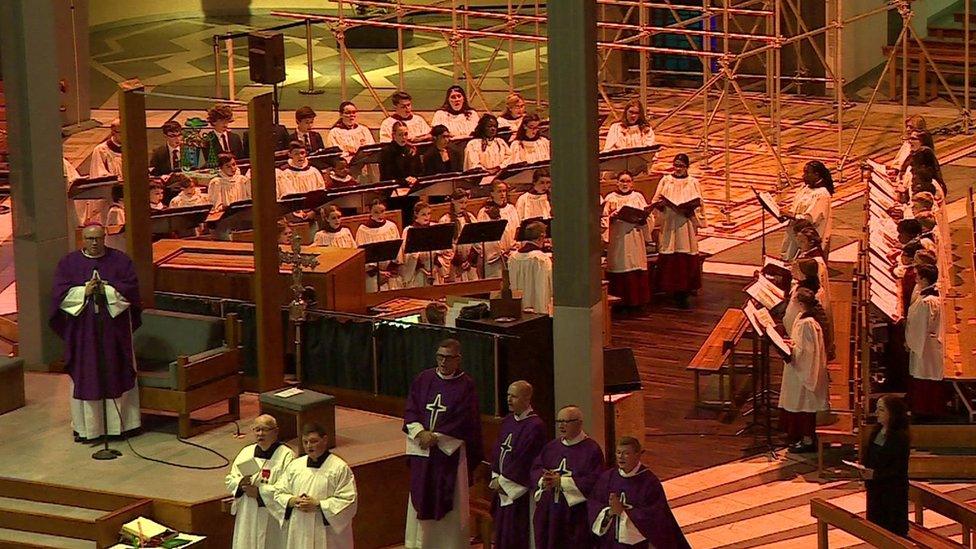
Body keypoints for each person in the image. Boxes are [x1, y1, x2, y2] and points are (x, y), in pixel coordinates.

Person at [49, 223, 142, 442]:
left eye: (98, 238)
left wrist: (106, 290)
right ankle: (89, 428)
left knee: (115, 371)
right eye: (90, 239)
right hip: (83, 333)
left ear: (104, 238)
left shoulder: (120, 260)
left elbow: (131, 290)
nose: (94, 243)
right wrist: (84, 291)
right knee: (87, 374)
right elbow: (58, 295)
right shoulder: (69, 263)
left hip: (114, 332)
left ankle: (120, 426)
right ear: (83, 239)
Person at [403, 338, 483, 549]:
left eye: (448, 358)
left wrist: (436, 437)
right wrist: (420, 432)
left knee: (452, 503)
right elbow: (411, 408)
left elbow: (466, 419)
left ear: (458, 359)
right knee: (420, 495)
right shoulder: (423, 379)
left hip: (450, 454)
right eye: (440, 356)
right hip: (422, 451)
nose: (443, 362)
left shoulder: (466, 385)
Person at [588, 437, 690, 548]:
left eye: (626, 453)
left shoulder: (649, 482)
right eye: (618, 452)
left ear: (637, 455)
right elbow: (594, 504)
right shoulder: (608, 477)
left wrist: (623, 513)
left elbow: (655, 518)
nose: (621, 457)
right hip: (610, 543)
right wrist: (609, 512)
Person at [272, 422, 358, 548]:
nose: (308, 446)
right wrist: (292, 500)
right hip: (300, 528)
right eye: (305, 442)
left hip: (327, 533)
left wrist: (318, 505)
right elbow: (278, 492)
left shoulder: (339, 468)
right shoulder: (295, 466)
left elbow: (349, 501)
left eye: (313, 441)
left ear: (325, 440)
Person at [531, 405, 605, 549]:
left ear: (579, 423)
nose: (562, 425)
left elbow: (595, 481)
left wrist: (562, 482)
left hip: (574, 514)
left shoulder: (591, 449)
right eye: (559, 421)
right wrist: (544, 479)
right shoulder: (552, 447)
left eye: (566, 421)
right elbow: (536, 468)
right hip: (550, 510)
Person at [490, 381, 547, 549]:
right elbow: (498, 450)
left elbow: (527, 459)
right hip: (502, 487)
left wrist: (504, 482)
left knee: (517, 534)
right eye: (508, 395)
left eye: (513, 396)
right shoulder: (508, 421)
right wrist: (495, 477)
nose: (509, 399)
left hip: (518, 491)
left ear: (527, 398)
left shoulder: (535, 426)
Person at [226, 415, 296, 549]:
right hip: (248, 512)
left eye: (265, 430)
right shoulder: (246, 452)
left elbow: (287, 488)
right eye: (257, 430)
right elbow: (230, 479)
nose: (260, 434)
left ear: (275, 431)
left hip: (271, 515)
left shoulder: (286, 456)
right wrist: (240, 483)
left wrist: (260, 493)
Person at [651, 154, 706, 309]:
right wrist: (661, 206)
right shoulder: (666, 181)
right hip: (669, 223)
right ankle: (670, 290)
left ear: (687, 167)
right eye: (675, 165)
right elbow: (656, 200)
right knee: (670, 253)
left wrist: (691, 211)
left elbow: (700, 204)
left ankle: (685, 292)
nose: (678, 168)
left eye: (681, 166)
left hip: (685, 225)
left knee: (685, 254)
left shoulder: (693, 182)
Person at [778, 287, 830, 453]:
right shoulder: (805, 318)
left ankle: (807, 440)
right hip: (802, 369)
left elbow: (805, 353)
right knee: (802, 404)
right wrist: (791, 344)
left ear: (800, 303)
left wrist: (790, 350)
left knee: (804, 406)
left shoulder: (807, 324)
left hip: (804, 372)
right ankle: (804, 438)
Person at [860, 395, 911, 537]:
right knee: (876, 530)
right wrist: (863, 469)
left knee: (891, 533)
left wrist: (874, 475)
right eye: (877, 409)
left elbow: (898, 469)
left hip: (892, 493)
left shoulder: (899, 438)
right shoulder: (877, 431)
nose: (876, 413)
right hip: (876, 490)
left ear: (892, 413)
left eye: (881, 410)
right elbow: (869, 453)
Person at [604, 171, 653, 309]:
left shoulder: (638, 197)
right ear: (617, 182)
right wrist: (611, 217)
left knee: (635, 264)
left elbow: (648, 217)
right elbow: (603, 219)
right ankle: (621, 303)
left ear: (632, 183)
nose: (625, 184)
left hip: (635, 236)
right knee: (621, 265)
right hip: (618, 238)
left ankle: (637, 302)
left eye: (627, 181)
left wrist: (644, 220)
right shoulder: (610, 198)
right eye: (622, 181)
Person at [905, 264, 946, 419]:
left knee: (925, 378)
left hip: (924, 345)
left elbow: (919, 326)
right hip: (930, 344)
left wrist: (909, 342)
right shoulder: (932, 298)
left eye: (918, 276)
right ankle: (931, 410)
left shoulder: (927, 302)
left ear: (924, 279)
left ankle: (925, 411)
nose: (915, 279)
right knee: (931, 377)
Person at [782, 160, 834, 260]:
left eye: (807, 173)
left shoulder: (822, 194)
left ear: (816, 174)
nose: (803, 176)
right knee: (787, 259)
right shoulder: (804, 188)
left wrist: (791, 215)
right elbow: (796, 207)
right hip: (793, 232)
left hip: (807, 238)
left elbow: (810, 219)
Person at [356, 199, 403, 292]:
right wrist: (378, 273)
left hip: (390, 271)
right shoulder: (363, 230)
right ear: (370, 212)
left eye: (382, 211)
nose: (380, 215)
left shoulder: (391, 226)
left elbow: (398, 250)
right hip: (372, 274)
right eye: (376, 212)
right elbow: (361, 255)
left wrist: (391, 269)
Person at [508, 221, 553, 315]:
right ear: (541, 237)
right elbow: (550, 284)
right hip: (538, 310)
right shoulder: (541, 259)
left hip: (518, 310)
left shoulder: (513, 257)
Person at [478, 182, 521, 279]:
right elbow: (485, 236)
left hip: (512, 254)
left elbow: (517, 230)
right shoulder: (485, 212)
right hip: (495, 258)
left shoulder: (511, 209)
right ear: (492, 193)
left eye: (504, 191)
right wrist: (501, 252)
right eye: (499, 191)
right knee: (497, 289)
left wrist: (514, 247)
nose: (502, 194)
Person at [436, 188, 480, 283]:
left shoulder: (470, 217)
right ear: (453, 201)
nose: (463, 206)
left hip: (469, 264)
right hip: (453, 265)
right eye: (461, 202)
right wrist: (457, 260)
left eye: (465, 203)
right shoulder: (445, 220)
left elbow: (477, 241)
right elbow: (443, 245)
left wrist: (469, 260)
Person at [399, 202, 437, 288]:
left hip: (433, 270)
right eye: (423, 214)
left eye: (429, 214)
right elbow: (407, 253)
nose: (427, 217)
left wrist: (435, 266)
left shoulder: (434, 227)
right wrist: (422, 267)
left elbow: (440, 249)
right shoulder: (409, 230)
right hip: (417, 271)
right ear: (416, 214)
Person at [379, 121, 424, 186]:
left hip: (412, 187)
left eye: (405, 134)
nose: (404, 137)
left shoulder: (412, 150)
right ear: (393, 135)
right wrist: (404, 181)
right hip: (394, 187)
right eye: (400, 135)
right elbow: (386, 176)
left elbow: (420, 170)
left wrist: (415, 178)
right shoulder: (387, 152)